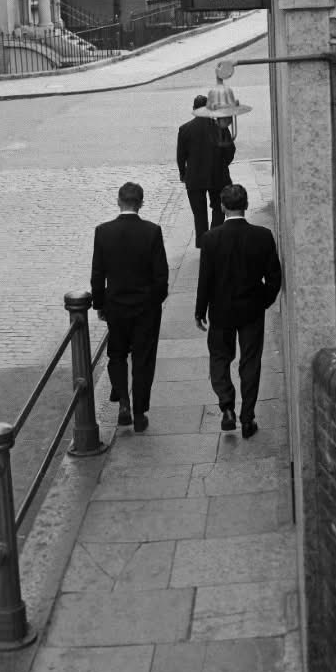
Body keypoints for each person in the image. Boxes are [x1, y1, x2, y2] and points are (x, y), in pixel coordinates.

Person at [195, 183, 282, 439]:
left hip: (221, 310)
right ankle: (248, 417)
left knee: (219, 359)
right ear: (246, 205)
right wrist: (262, 301)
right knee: (250, 362)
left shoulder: (210, 239)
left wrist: (200, 310)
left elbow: (205, 280)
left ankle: (227, 407)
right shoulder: (262, 236)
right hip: (251, 310)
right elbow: (274, 278)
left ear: (222, 207)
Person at [90, 181, 169, 433]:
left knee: (117, 354)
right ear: (141, 203)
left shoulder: (103, 232)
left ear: (118, 201)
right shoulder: (152, 231)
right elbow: (161, 275)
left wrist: (100, 304)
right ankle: (139, 411)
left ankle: (123, 401)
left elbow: (97, 274)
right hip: (145, 307)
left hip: (116, 305)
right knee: (143, 359)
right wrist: (155, 302)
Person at [177, 95, 235, 248]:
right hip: (218, 176)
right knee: (218, 209)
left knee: (199, 213)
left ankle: (203, 244)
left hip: (194, 178)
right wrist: (222, 165)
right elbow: (230, 151)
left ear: (194, 109)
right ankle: (214, 240)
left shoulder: (185, 129)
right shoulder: (221, 128)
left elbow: (181, 156)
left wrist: (183, 173)